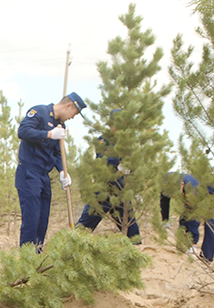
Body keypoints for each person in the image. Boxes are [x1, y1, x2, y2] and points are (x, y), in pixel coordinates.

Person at [14, 92, 86, 249]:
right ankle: (26, 262)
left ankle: (37, 258)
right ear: (68, 106)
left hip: (44, 176)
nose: (72, 118)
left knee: (42, 221)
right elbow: (23, 132)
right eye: (74, 113)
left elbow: (56, 152)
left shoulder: (60, 126)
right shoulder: (39, 112)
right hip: (29, 173)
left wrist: (62, 171)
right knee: (31, 220)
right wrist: (48, 134)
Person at [75, 112, 141, 242]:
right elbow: (104, 160)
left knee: (132, 231)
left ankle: (136, 253)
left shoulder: (129, 143)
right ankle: (72, 247)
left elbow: (135, 163)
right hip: (102, 191)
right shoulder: (102, 140)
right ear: (110, 124)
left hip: (121, 192)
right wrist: (119, 165)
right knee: (84, 227)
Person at [160, 173, 214, 262]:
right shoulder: (166, 183)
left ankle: (206, 257)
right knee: (184, 217)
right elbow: (164, 202)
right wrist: (165, 220)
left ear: (182, 185)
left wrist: (193, 242)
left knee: (210, 224)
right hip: (197, 193)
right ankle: (182, 246)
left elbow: (194, 217)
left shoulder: (192, 188)